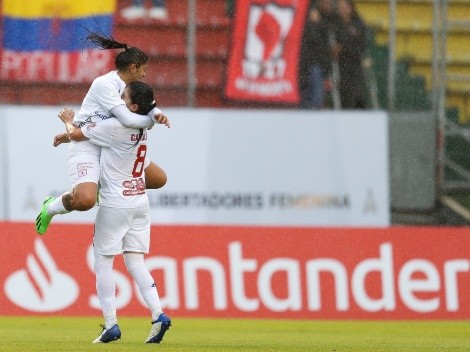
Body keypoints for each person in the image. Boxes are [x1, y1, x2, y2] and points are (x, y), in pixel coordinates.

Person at [55, 81, 171, 344]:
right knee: (135, 263)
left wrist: (68, 121)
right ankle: (158, 314)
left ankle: (111, 324)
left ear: (132, 106)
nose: (118, 99)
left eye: (123, 96)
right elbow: (151, 113)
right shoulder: (146, 122)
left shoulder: (112, 127)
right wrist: (156, 113)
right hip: (140, 201)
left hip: (116, 203)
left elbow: (76, 135)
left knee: (103, 263)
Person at [35, 32, 170, 235]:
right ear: (133, 68)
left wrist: (157, 114)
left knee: (158, 179)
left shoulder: (133, 88)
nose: (144, 74)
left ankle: (104, 186)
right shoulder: (105, 84)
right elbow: (129, 120)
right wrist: (152, 120)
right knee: (85, 200)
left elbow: (147, 105)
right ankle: (51, 207)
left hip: (113, 145)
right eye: (143, 69)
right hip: (88, 143)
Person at [298, 0, 340, 109]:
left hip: (319, 65)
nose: (329, 5)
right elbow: (314, 40)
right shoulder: (310, 12)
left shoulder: (329, 16)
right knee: (312, 99)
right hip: (309, 64)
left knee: (316, 100)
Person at [336, 0, 368, 109]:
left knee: (357, 93)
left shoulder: (358, 24)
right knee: (344, 93)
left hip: (355, 64)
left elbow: (361, 47)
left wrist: (343, 48)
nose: (341, 10)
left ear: (350, 8)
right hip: (340, 64)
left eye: (344, 7)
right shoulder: (335, 24)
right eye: (340, 8)